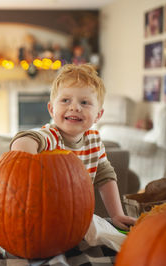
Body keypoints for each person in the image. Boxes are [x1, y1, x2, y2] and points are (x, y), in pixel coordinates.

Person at [10, 64, 136, 230]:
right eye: (65, 100)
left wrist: (117, 215)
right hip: (42, 220)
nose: (75, 107)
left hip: (76, 221)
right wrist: (29, 165)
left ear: (98, 115)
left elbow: (105, 177)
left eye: (84, 102)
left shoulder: (94, 141)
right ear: (51, 109)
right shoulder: (52, 136)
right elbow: (23, 141)